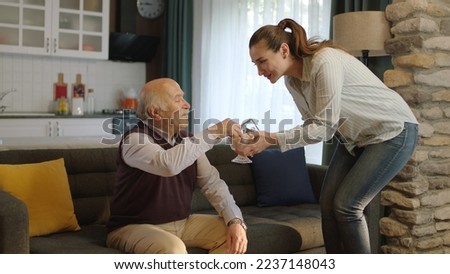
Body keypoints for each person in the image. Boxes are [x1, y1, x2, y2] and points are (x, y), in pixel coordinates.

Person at [236, 18, 418, 254]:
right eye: (255, 65)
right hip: (355, 139)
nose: (260, 71)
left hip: (393, 131)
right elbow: (313, 124)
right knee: (328, 205)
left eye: (262, 61)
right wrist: (264, 141)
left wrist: (269, 138)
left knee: (347, 206)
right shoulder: (293, 82)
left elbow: (324, 128)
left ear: (283, 50)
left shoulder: (324, 61)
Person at [106, 78, 248, 254]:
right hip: (133, 227)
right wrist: (215, 131)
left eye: (184, 98)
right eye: (177, 99)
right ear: (155, 112)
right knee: (173, 249)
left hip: (183, 223)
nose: (187, 105)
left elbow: (213, 184)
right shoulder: (134, 140)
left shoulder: (188, 141)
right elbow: (167, 164)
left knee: (234, 235)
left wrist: (235, 221)